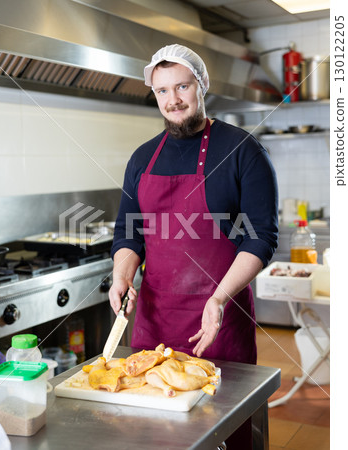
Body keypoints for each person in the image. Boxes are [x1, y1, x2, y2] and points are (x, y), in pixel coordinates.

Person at [110, 44, 278, 449]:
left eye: (182, 87)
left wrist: (219, 299)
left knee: (227, 428)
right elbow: (129, 233)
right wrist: (121, 276)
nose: (173, 100)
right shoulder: (142, 158)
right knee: (159, 434)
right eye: (162, 91)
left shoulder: (242, 151)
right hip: (155, 324)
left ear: (202, 85)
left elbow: (261, 237)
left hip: (218, 320)